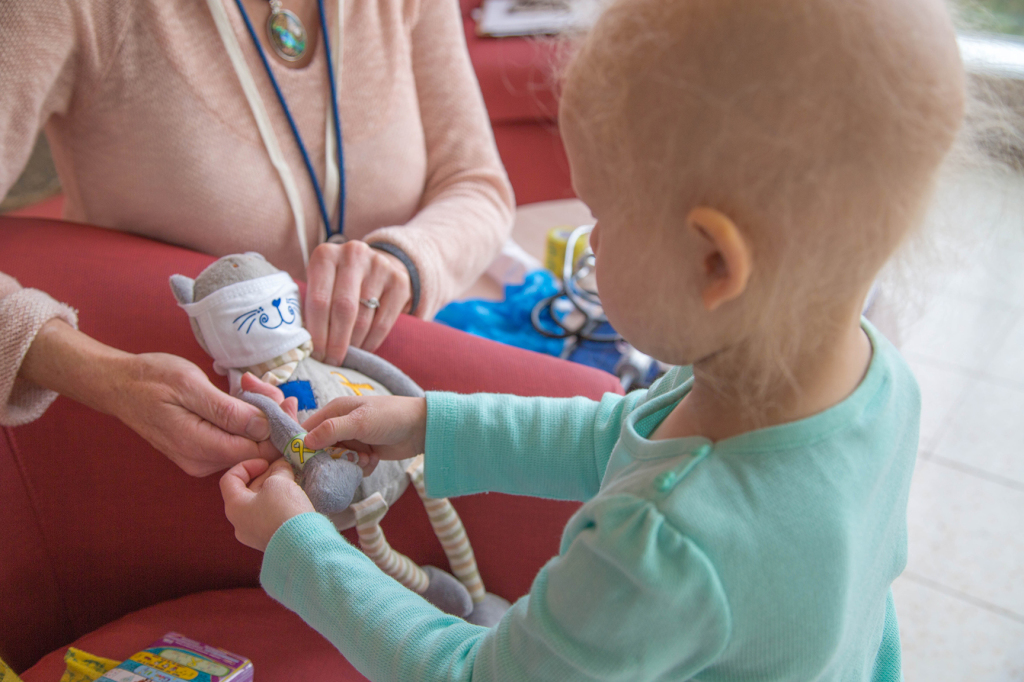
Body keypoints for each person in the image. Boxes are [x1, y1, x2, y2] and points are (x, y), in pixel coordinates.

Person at [219, 0, 965, 678]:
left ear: (714, 262)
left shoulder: (659, 545)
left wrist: (300, 548)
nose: (592, 240)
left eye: (601, 213)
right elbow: (626, 434)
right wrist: (427, 426)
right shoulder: (871, 380)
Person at [0, 0, 514, 475]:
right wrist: (108, 379)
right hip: (171, 446)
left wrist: (406, 260)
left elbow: (477, 185)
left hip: (387, 411)